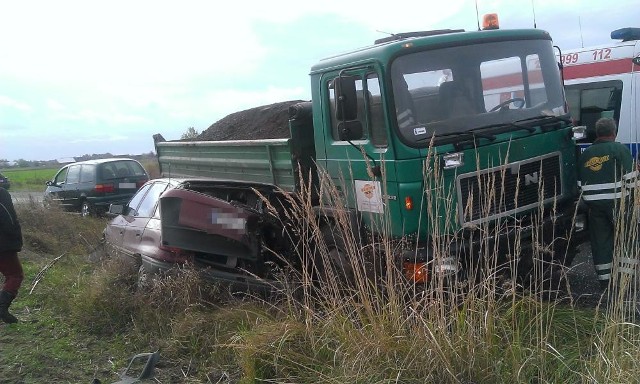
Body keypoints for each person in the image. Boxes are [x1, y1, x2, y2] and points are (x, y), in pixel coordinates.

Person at [577, 117, 635, 291]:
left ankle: (605, 282)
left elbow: (580, 185)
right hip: (619, 203)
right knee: (627, 238)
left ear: (598, 133)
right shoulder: (619, 149)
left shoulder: (586, 153)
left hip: (594, 207)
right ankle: (625, 280)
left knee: (601, 242)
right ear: (613, 132)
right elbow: (632, 181)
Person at [0, 187, 24, 323]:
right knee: (15, 275)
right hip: (3, 245)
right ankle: (2, 308)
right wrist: (15, 238)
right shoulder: (2, 194)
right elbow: (8, 219)